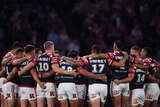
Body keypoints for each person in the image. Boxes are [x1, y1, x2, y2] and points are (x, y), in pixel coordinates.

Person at [63, 44, 128, 107]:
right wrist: (125, 57)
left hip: (93, 85)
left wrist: (64, 58)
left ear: (92, 51)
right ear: (100, 52)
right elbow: (119, 64)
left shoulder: (87, 59)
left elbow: (75, 62)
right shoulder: (107, 60)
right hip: (104, 86)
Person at [18, 41, 77, 107]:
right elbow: (56, 69)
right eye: (53, 47)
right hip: (49, 84)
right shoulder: (52, 58)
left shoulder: (38, 58)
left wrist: (20, 72)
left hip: (40, 84)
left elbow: (28, 67)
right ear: (52, 47)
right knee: (50, 105)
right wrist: (70, 72)